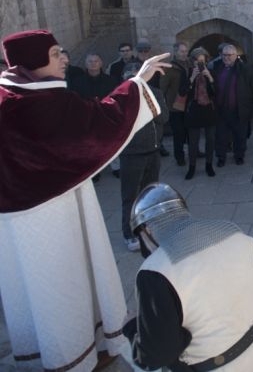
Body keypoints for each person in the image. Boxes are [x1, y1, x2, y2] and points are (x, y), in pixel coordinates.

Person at [0, 29, 169, 371]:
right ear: (35, 61)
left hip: (16, 221)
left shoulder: (8, 96)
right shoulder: (43, 103)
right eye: (55, 53)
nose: (65, 59)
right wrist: (138, 81)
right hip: (51, 214)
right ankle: (71, 357)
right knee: (63, 281)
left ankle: (40, 350)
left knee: (31, 287)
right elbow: (98, 125)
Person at [123, 182, 253, 371]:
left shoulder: (155, 271)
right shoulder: (231, 231)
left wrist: (132, 327)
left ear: (147, 229)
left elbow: (156, 355)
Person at [118, 61, 169, 252]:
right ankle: (129, 233)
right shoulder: (120, 97)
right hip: (131, 154)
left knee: (149, 195)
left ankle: (149, 230)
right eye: (130, 77)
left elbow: (163, 118)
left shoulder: (154, 93)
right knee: (130, 196)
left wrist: (146, 98)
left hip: (152, 151)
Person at [212, 44, 253, 167]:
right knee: (221, 136)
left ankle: (239, 156)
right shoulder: (216, 67)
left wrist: (248, 104)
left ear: (236, 56)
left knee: (240, 136)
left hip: (239, 110)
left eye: (229, 55)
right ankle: (221, 157)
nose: (226, 57)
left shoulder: (245, 69)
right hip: (221, 110)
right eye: (224, 55)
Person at [183, 47, 217, 179]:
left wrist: (209, 77)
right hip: (194, 110)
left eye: (202, 61)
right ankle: (192, 167)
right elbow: (182, 91)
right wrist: (191, 78)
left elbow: (215, 92)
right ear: (193, 61)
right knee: (193, 141)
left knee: (210, 139)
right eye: (198, 61)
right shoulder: (187, 73)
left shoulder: (211, 72)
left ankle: (209, 165)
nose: (200, 64)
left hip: (209, 109)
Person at [159, 42, 192, 166]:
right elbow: (163, 87)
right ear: (175, 52)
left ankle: (194, 151)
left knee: (190, 131)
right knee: (178, 134)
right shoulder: (169, 68)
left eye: (186, 51)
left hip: (189, 105)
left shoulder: (190, 65)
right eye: (182, 51)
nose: (184, 54)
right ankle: (180, 157)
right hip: (175, 107)